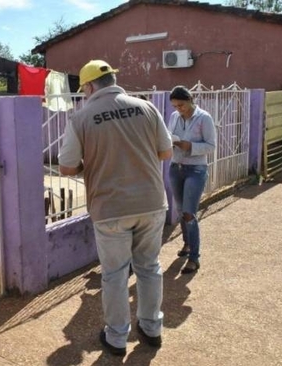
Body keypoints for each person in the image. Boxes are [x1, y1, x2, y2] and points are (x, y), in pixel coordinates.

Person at [58, 60, 173, 357]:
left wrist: (92, 166)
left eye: (83, 88)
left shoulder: (81, 118)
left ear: (90, 86)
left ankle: (117, 337)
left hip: (110, 207)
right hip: (151, 202)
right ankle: (152, 329)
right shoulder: (147, 108)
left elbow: (67, 167)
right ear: (112, 80)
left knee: (115, 275)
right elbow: (165, 151)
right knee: (149, 267)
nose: (83, 93)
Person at [167, 86, 217, 274]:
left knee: (189, 213)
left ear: (190, 100)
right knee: (181, 211)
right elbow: (168, 136)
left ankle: (194, 258)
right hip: (176, 167)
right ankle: (187, 244)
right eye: (175, 106)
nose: (179, 109)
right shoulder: (174, 118)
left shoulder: (204, 118)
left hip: (196, 169)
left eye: (181, 105)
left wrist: (190, 146)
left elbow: (211, 146)